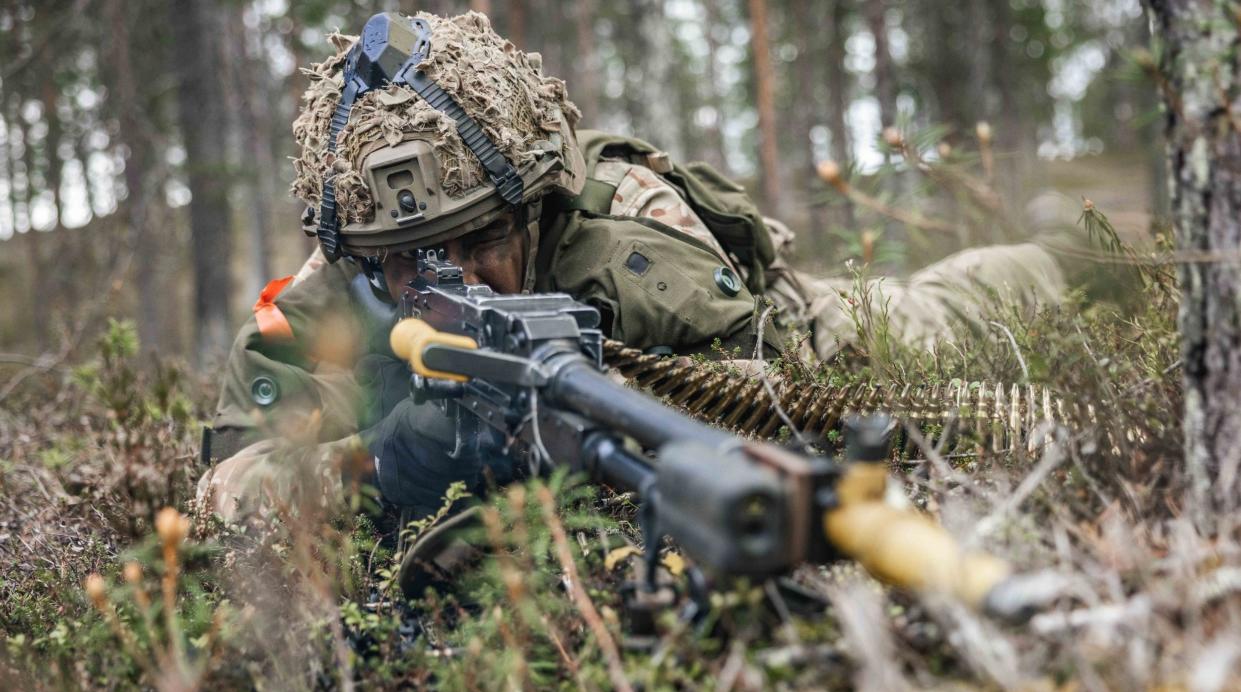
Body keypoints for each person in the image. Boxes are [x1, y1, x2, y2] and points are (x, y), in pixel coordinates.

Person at [198, 10, 1080, 525]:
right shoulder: (316, 313)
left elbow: (779, 391)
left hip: (811, 325)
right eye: (411, 263)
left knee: (967, 302)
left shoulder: (624, 245)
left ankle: (1071, 253)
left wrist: (578, 419)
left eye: (481, 242)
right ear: (357, 255)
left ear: (534, 208)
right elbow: (223, 494)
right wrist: (384, 463)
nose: (453, 277)